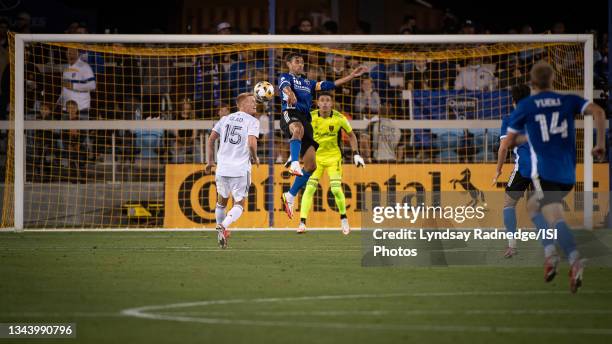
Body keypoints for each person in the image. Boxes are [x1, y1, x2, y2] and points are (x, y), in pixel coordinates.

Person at [505, 61, 606, 293]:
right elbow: (599, 112)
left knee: (548, 213)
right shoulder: (568, 100)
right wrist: (600, 145)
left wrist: (529, 137)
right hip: (568, 173)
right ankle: (552, 254)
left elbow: (510, 141)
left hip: (545, 171)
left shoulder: (527, 105)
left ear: (532, 82)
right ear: (552, 80)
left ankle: (571, 258)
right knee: (535, 207)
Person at [278, 52, 366, 219]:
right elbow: (285, 87)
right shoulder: (285, 77)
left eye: (302, 63)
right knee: (297, 129)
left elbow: (331, 85)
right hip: (290, 113)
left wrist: (351, 76)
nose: (300, 65)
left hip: (306, 119)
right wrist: (291, 94)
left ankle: (290, 195)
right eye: (297, 62)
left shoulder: (309, 82)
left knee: (311, 166)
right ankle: (295, 163)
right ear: (288, 64)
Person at [493, 84, 550, 258]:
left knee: (508, 204)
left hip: (523, 169)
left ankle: (512, 246)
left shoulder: (509, 119)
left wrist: (498, 170)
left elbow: (503, 148)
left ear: (512, 102)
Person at [298, 93, 365, 234]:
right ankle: (302, 223)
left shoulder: (339, 118)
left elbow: (352, 135)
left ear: (332, 103)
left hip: (333, 157)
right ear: (317, 103)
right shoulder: (310, 117)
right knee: (309, 189)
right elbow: (300, 134)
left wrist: (356, 153)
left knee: (335, 189)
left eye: (328, 100)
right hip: (315, 158)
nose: (325, 103)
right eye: (322, 100)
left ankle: (344, 220)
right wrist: (295, 156)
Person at [205, 93, 260, 249]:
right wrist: (255, 157)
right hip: (240, 169)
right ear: (241, 105)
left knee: (221, 202)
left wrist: (209, 161)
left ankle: (219, 231)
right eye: (251, 102)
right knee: (239, 204)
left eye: (255, 102)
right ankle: (224, 225)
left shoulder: (225, 119)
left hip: (222, 168)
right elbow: (251, 143)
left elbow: (210, 140)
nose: (255, 104)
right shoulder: (253, 121)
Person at [60, 48, 96, 120]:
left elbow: (92, 86)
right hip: (66, 108)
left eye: (72, 52)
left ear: (77, 54)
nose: (70, 55)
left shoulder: (85, 66)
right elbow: (64, 88)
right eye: (68, 53)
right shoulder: (66, 68)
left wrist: (74, 86)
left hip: (81, 108)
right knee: (65, 131)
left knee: (82, 131)